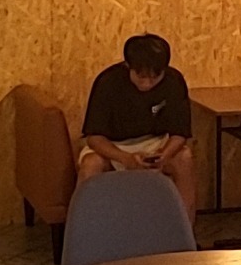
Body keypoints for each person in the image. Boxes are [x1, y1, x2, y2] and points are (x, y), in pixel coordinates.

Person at [78, 33, 197, 218]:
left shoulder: (174, 81)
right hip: (113, 146)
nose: (147, 83)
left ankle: (185, 231)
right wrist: (125, 158)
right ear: (128, 67)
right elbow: (94, 138)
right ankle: (83, 229)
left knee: (184, 158)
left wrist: (164, 155)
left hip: (155, 143)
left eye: (154, 77)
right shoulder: (108, 81)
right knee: (90, 164)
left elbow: (179, 133)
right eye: (141, 77)